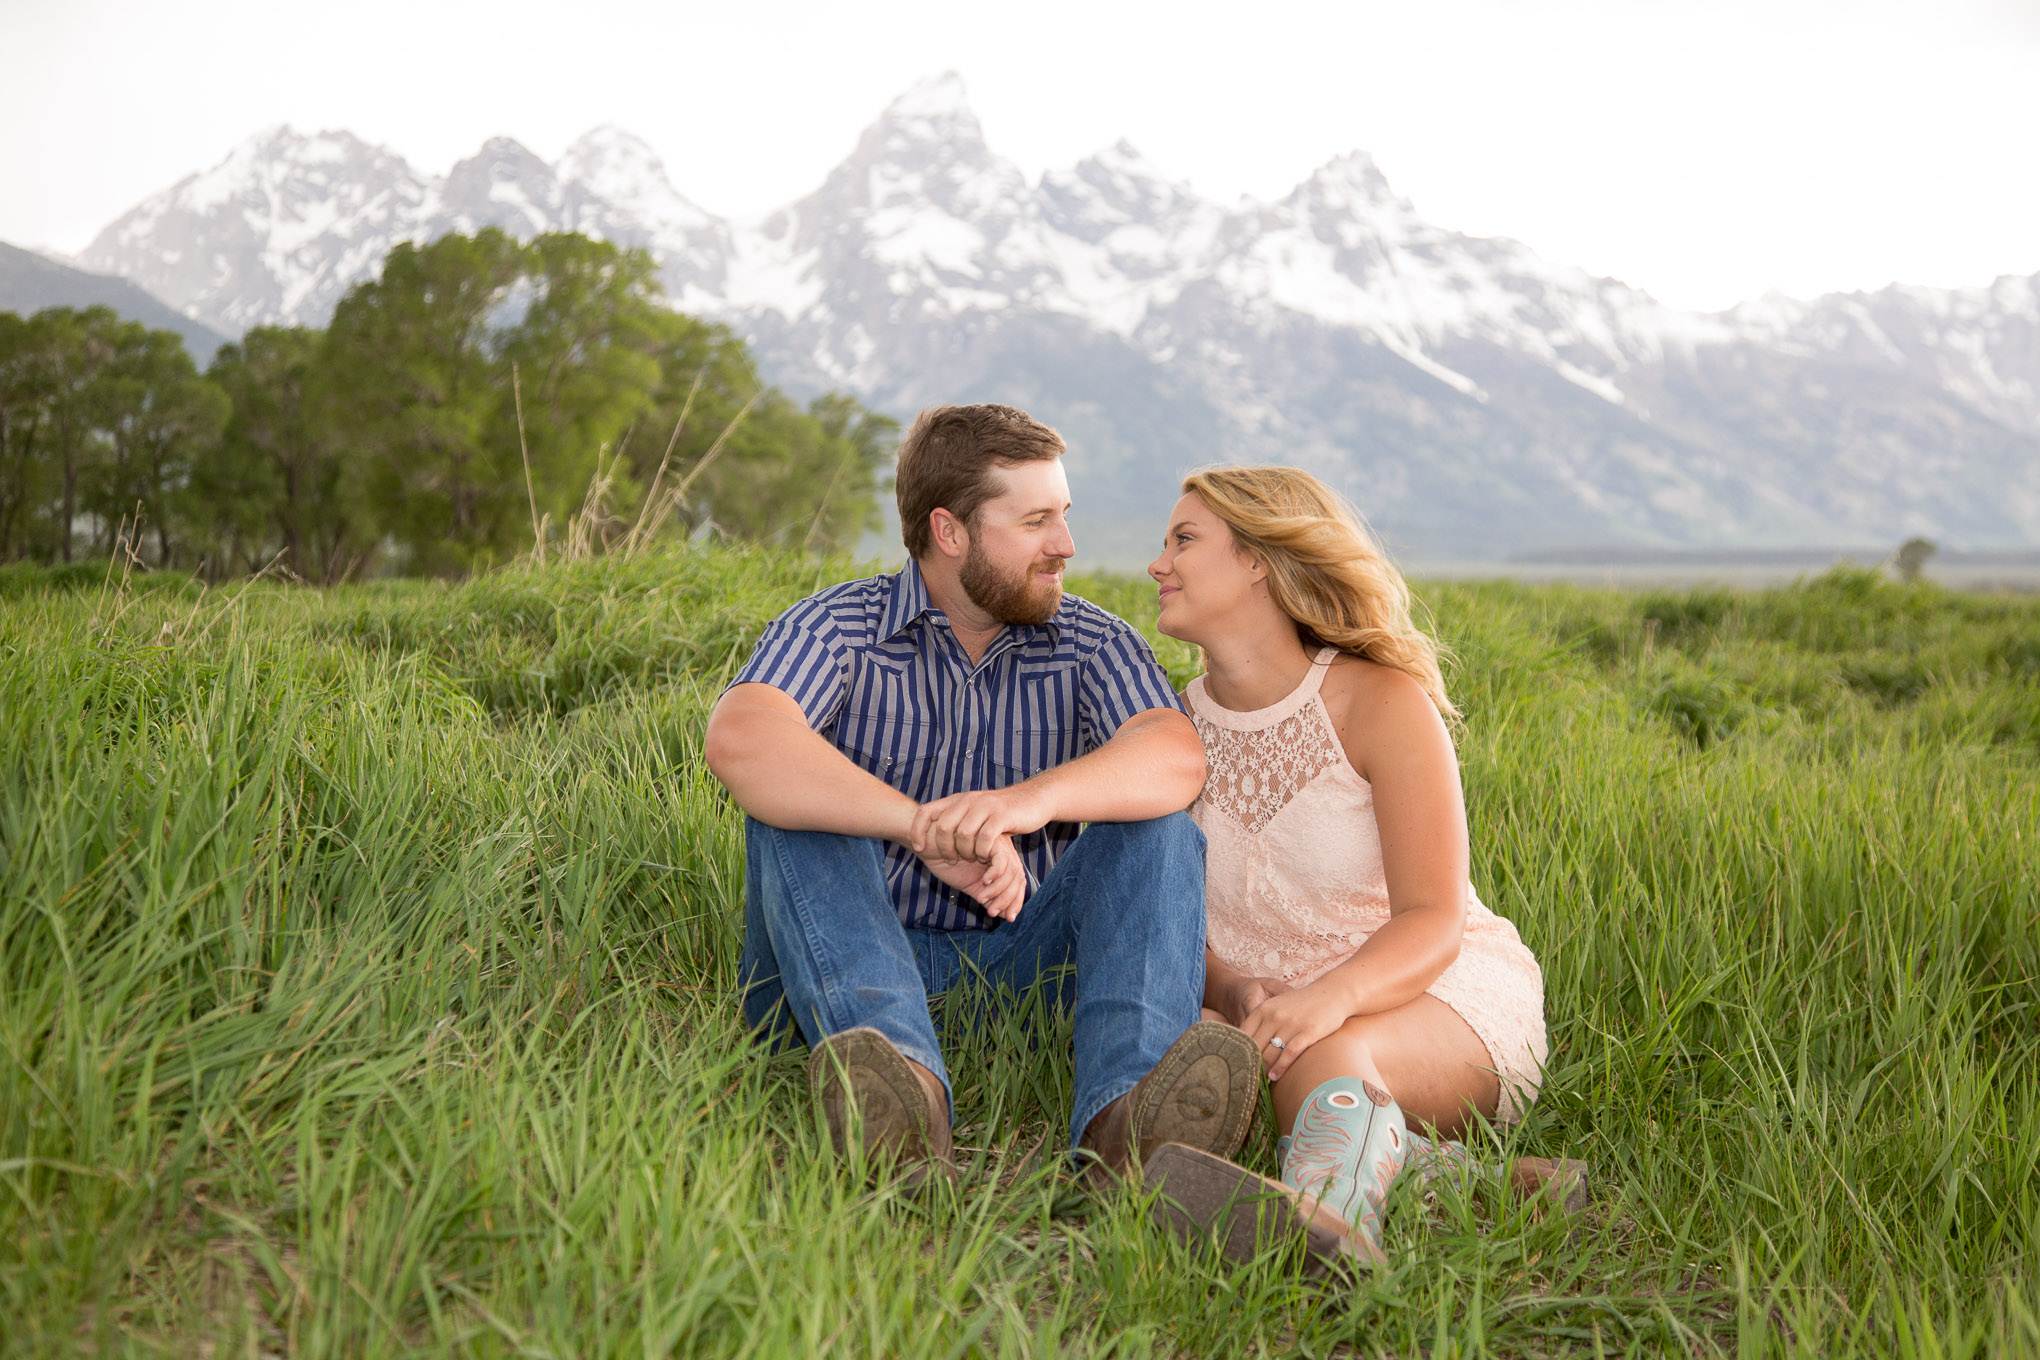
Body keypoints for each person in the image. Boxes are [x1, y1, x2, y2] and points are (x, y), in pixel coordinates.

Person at [703, 404, 1262, 1193]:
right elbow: (741, 737)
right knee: (799, 806)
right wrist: (919, 826)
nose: (1065, 545)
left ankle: (1128, 1126)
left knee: (1156, 826)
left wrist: (1022, 805)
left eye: (1063, 517)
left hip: (1024, 965)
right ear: (950, 531)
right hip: (848, 956)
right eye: (1036, 521)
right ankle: (899, 1097)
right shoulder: (837, 625)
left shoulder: (1091, 640)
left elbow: (1174, 755)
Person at [1138, 465, 1573, 1265]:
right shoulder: (1169, 728)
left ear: (1258, 560)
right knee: (1181, 1063)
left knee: (1326, 1053)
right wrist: (1236, 990)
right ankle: (1484, 1184)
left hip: (1429, 993)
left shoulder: (1381, 702)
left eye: (1184, 540)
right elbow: (1159, 909)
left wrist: (1329, 999)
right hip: (1261, 1019)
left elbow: (1433, 917)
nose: (1157, 563)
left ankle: (1334, 1227)